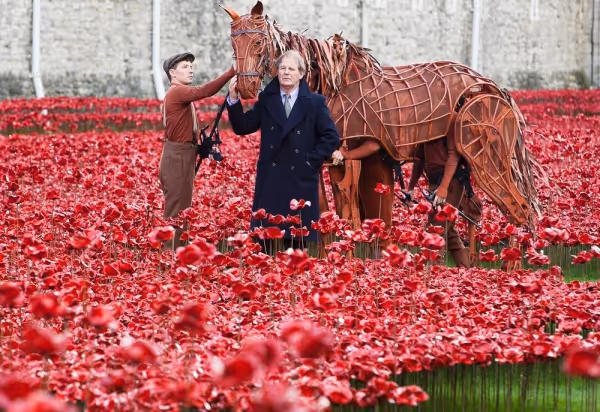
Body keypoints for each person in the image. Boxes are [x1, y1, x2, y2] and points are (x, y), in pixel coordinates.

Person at [226, 50, 340, 252]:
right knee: (265, 239)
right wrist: (234, 100)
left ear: (301, 73)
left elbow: (331, 137)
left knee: (296, 242)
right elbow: (243, 126)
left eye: (291, 69)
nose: (286, 72)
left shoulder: (315, 102)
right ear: (277, 72)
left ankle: (294, 281)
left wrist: (310, 161)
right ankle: (266, 280)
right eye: (282, 68)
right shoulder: (267, 100)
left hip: (301, 178)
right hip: (271, 178)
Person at [160, 52, 235, 249]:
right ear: (172, 73)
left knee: (182, 207)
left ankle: (177, 252)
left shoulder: (180, 94)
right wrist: (231, 72)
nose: (190, 69)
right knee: (176, 209)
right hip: (178, 156)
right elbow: (205, 91)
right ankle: (170, 255)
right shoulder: (177, 92)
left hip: (183, 154)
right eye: (185, 67)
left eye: (191, 66)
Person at [405, 136, 473, 268]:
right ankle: (466, 271)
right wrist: (411, 187)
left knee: (435, 230)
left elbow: (454, 155)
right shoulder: (426, 122)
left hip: (450, 182)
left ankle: (433, 275)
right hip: (435, 182)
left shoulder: (449, 119)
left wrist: (443, 187)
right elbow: (419, 157)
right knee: (448, 231)